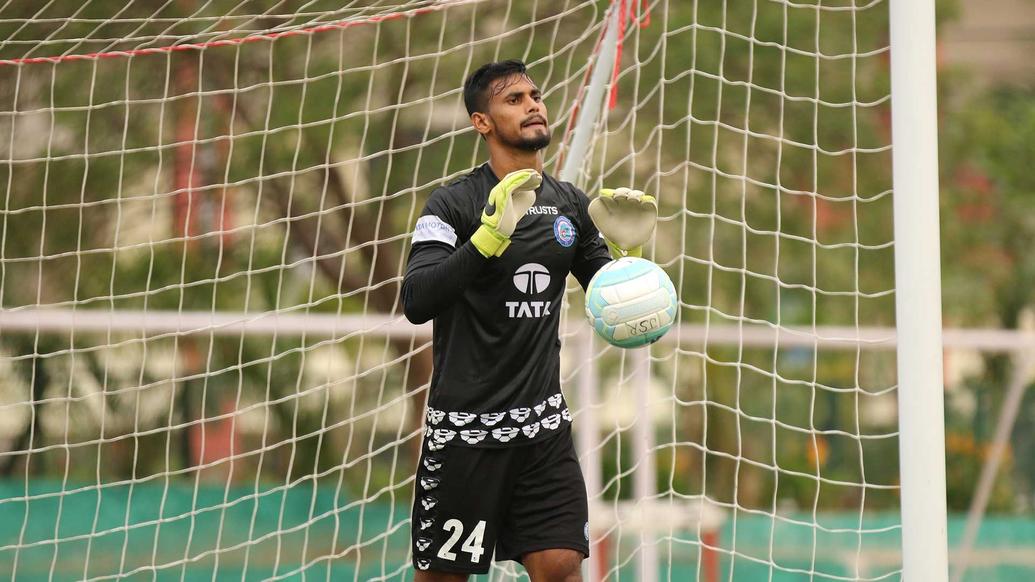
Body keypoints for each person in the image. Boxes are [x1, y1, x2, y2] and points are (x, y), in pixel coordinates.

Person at [400, 59, 657, 581]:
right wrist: (488, 239)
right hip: (465, 435)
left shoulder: (570, 205)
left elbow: (621, 308)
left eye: (535, 95)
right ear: (482, 123)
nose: (534, 105)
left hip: (542, 430)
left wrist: (627, 257)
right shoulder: (451, 204)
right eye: (514, 100)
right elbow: (417, 299)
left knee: (562, 566)